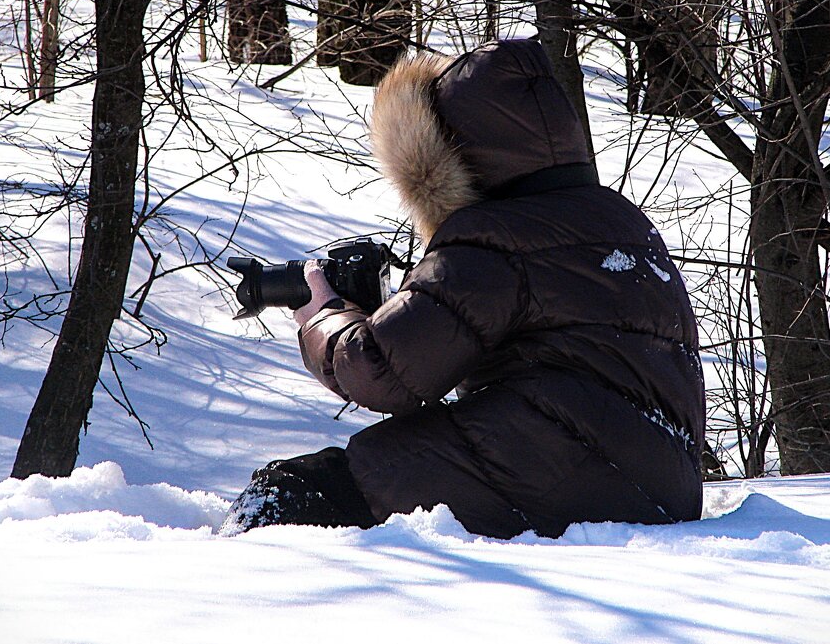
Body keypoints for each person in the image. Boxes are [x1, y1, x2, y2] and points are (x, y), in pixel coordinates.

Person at [222, 39, 705, 539]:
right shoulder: (622, 222)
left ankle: (223, 570)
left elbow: (382, 373)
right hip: (659, 488)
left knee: (293, 490)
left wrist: (323, 315)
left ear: (449, 160)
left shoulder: (494, 237)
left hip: (561, 473)